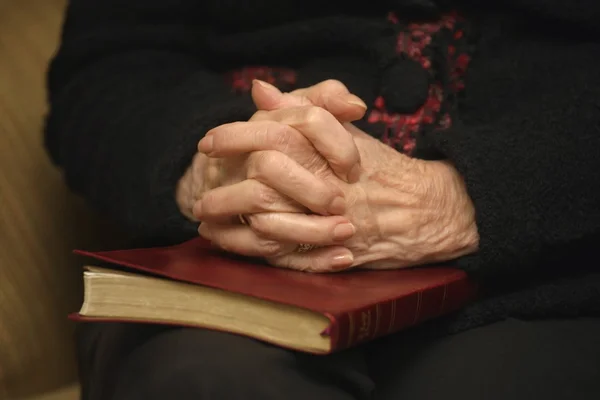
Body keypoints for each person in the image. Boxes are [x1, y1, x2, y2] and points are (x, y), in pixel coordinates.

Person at [45, 0, 600, 399]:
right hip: (228, 271)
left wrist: (468, 198)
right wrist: (219, 162)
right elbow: (107, 69)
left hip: (546, 273)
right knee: (203, 380)